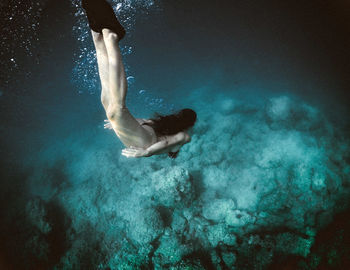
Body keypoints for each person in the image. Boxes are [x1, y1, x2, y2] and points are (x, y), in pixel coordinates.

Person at [82, 0, 197, 158]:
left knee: (108, 102)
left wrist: (117, 126)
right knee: (116, 108)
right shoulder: (184, 137)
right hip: (140, 138)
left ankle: (98, 34)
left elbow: (144, 121)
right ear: (189, 124)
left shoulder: (164, 127)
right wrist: (145, 153)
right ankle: (111, 39)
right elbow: (167, 143)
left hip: (136, 132)